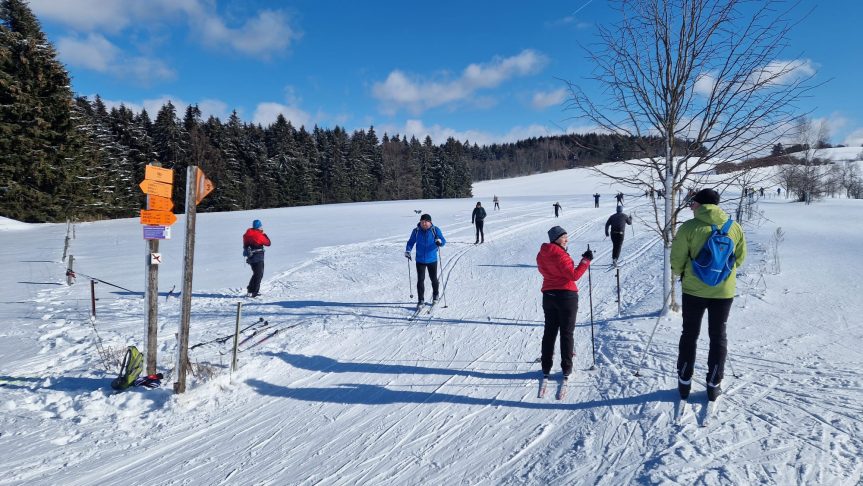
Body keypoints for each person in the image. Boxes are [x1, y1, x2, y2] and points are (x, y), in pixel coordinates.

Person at [671, 188, 747, 402]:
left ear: (699, 204)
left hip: (694, 290)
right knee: (718, 335)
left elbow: (677, 260)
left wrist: (684, 273)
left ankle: (684, 381)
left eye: (693, 202)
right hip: (724, 291)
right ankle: (714, 383)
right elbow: (740, 258)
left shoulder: (689, 227)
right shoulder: (734, 227)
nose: (691, 206)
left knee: (689, 334)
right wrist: (723, 274)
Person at [536, 226, 592, 381]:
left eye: (567, 236)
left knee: (550, 332)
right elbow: (573, 275)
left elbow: (544, 271)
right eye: (563, 237)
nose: (567, 239)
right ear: (555, 239)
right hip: (566, 296)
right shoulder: (561, 254)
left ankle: (546, 366)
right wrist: (585, 261)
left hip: (548, 295)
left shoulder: (541, 254)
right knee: (566, 332)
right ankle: (566, 368)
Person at [405, 214, 447, 307]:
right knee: (420, 280)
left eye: (426, 221)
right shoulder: (416, 231)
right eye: (422, 221)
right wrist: (408, 250)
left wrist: (440, 242)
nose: (424, 223)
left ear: (430, 222)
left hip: (432, 259)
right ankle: (421, 300)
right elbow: (411, 242)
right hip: (420, 259)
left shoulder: (435, 230)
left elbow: (443, 240)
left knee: (434, 279)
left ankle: (435, 295)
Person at [242, 219, 271, 297]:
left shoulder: (247, 234)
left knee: (256, 274)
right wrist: (264, 234)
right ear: (259, 226)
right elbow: (268, 243)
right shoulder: (258, 235)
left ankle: (250, 290)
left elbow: (245, 245)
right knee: (259, 275)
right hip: (258, 257)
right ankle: (254, 292)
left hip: (250, 257)